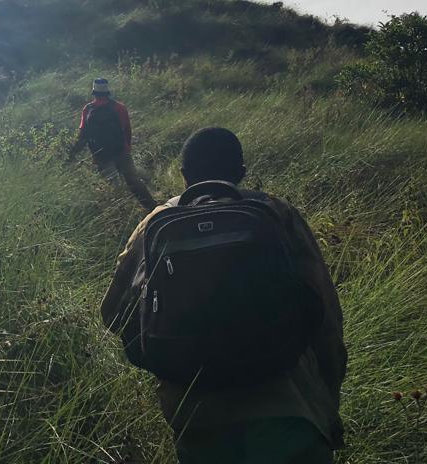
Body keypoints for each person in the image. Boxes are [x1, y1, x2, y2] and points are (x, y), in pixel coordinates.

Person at [100, 127, 346, 464]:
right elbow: (326, 317)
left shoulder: (156, 223)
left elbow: (113, 314)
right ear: (241, 173)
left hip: (197, 416)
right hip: (288, 409)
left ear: (184, 176)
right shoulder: (276, 212)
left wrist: (170, 363)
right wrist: (329, 402)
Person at [67, 77, 157, 210]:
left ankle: (118, 213)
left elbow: (83, 135)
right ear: (107, 92)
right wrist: (127, 148)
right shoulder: (119, 107)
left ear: (94, 93)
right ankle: (153, 209)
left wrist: (72, 155)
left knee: (112, 186)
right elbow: (127, 130)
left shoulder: (87, 109)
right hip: (120, 151)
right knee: (134, 182)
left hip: (101, 155)